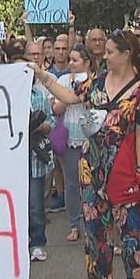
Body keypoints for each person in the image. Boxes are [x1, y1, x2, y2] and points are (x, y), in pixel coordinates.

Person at [36, 32, 140, 279]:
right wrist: (43, 77)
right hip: (91, 163)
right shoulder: (97, 82)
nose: (105, 56)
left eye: (111, 51)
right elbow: (68, 96)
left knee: (131, 226)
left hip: (124, 164)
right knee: (94, 226)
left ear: (127, 53)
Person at [53, 45, 92, 242]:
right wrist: (70, 96)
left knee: (90, 183)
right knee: (71, 184)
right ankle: (74, 224)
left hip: (89, 136)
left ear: (87, 62)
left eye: (75, 60)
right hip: (68, 136)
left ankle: (91, 222)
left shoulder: (94, 81)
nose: (71, 63)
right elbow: (56, 109)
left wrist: (84, 97)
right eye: (70, 59)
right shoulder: (62, 81)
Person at [26, 42, 55, 262]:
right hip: (10, 160)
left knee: (36, 204)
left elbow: (52, 121)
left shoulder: (39, 95)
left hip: (35, 158)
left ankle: (37, 242)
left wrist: (43, 126)